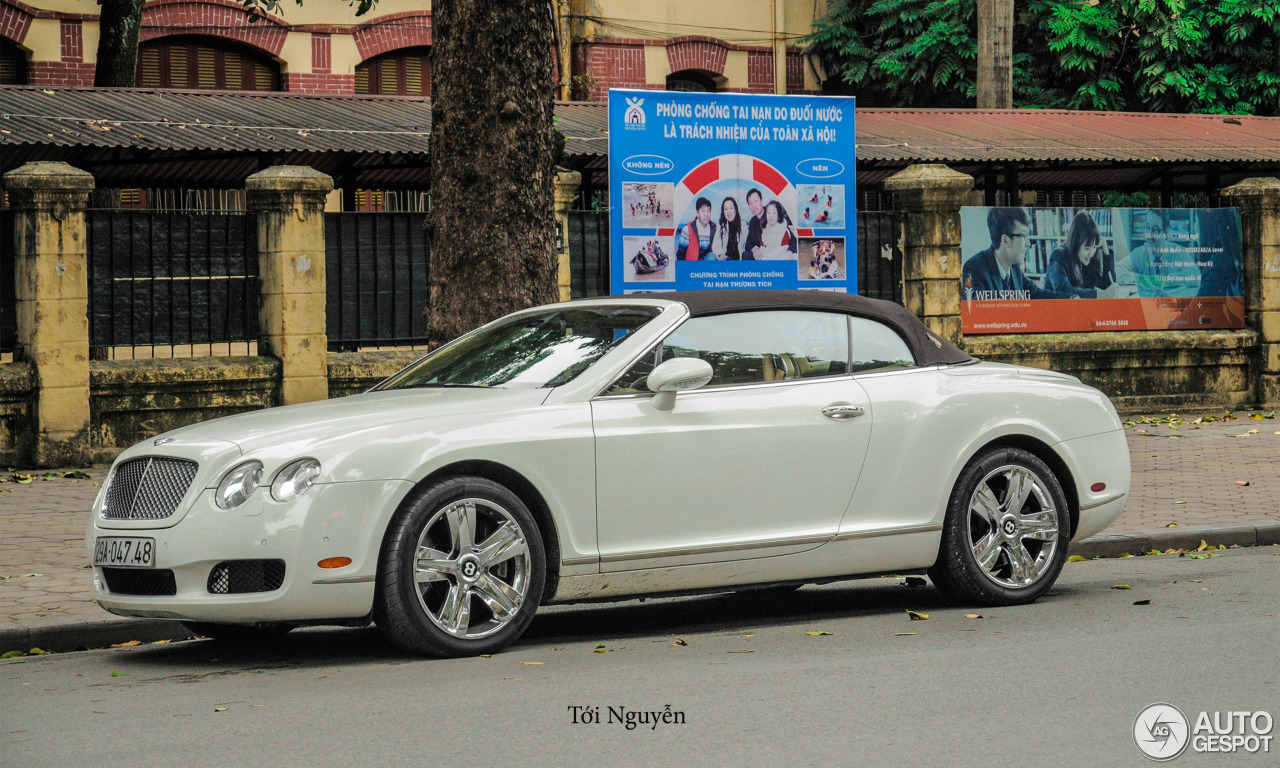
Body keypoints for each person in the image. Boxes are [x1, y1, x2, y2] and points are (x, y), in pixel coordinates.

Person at [962, 208, 1075, 300]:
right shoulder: (974, 269)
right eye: (1023, 236)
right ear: (1005, 240)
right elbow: (978, 315)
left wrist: (1071, 298)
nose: (1028, 243)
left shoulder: (1014, 269)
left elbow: (1037, 294)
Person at [1044, 211, 1115, 298]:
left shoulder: (1086, 257)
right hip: (1054, 309)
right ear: (1076, 243)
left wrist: (1105, 246)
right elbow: (1065, 291)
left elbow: (1108, 285)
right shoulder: (1058, 256)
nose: (1091, 253)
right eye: (1087, 248)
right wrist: (1100, 295)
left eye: (1095, 247)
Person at [743, 188, 797, 260]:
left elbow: (793, 239)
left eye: (756, 201)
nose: (754, 206)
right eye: (750, 203)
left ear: (761, 201)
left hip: (776, 255)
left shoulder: (772, 214)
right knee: (746, 255)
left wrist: (790, 251)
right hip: (762, 256)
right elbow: (748, 244)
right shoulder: (753, 221)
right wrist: (754, 249)